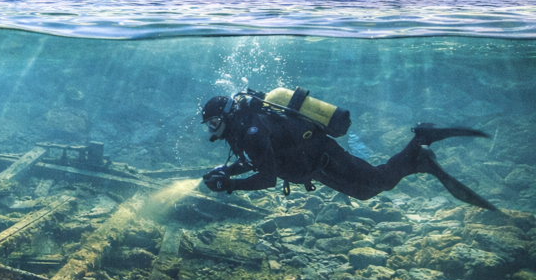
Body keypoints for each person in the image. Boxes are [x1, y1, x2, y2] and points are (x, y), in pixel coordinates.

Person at [199, 89, 497, 210]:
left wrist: (230, 185)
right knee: (368, 190)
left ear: (226, 115)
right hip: (314, 163)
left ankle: (420, 144)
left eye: (214, 123)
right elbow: (259, 161)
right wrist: (227, 170)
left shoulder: (250, 130)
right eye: (208, 126)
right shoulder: (243, 131)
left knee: (377, 182)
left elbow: (268, 178)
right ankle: (419, 158)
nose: (213, 131)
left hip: (323, 157)